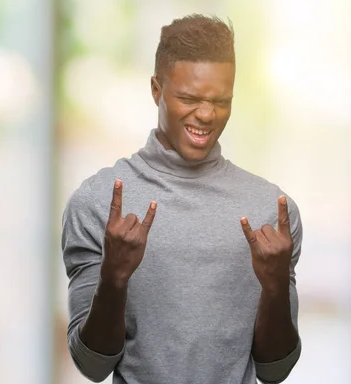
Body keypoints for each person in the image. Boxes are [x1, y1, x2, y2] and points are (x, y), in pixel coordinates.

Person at [61, 14, 302, 384]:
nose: (206, 115)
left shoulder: (271, 210)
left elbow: (275, 370)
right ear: (156, 89)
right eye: (189, 98)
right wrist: (114, 276)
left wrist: (274, 288)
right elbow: (92, 366)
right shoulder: (98, 202)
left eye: (221, 100)